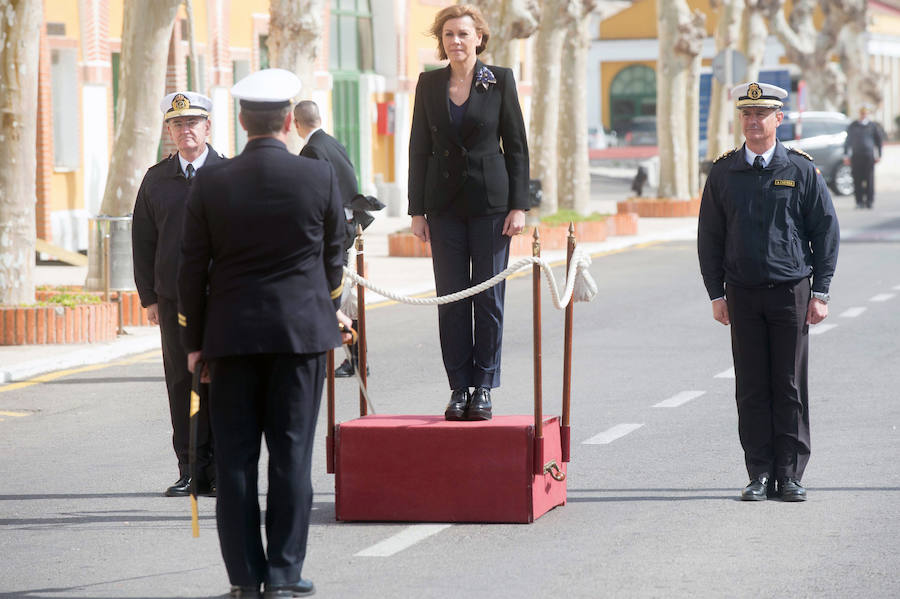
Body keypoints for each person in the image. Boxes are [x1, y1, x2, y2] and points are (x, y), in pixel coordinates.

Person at [178, 68, 350, 599]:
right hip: (299, 337)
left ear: (240, 120)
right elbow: (335, 257)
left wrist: (195, 343)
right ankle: (283, 573)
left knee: (234, 460)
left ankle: (243, 578)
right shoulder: (317, 177)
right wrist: (321, 305)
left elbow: (191, 268)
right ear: (287, 119)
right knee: (292, 454)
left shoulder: (211, 181)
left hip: (229, 339)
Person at [698, 82, 839, 502]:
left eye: (762, 114)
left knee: (790, 385)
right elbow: (710, 237)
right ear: (740, 119)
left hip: (791, 291)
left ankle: (790, 473)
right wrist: (715, 293)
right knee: (752, 386)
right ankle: (758, 472)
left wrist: (822, 292)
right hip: (742, 293)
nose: (754, 122)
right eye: (747, 114)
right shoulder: (724, 171)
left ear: (779, 119)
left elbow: (825, 232)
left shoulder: (799, 169)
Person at [408, 4, 529, 422]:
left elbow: (516, 147)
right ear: (440, 42)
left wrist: (519, 205)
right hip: (442, 208)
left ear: (479, 36)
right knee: (453, 299)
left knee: (489, 298)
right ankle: (458, 387)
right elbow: (418, 149)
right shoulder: (428, 84)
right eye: (448, 35)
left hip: (491, 207)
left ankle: (484, 388)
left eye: (463, 34)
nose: (455, 42)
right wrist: (417, 211)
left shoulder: (500, 81)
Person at [132, 91, 223, 498]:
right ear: (169, 131)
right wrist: (149, 296)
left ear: (208, 126)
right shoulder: (156, 179)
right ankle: (189, 469)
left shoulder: (229, 175)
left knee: (221, 382)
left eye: (193, 123)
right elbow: (143, 242)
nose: (185, 130)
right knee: (180, 383)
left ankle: (220, 470)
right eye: (177, 124)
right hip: (173, 302)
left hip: (222, 298)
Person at [293, 100, 368, 378]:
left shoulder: (311, 150)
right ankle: (357, 361)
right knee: (347, 300)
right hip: (348, 225)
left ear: (297, 124)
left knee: (334, 297)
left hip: (331, 232)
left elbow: (312, 197)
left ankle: (349, 359)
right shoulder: (333, 143)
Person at [843, 105, 884, 209]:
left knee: (869, 179)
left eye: (865, 113)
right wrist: (846, 155)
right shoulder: (853, 125)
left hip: (868, 156)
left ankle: (869, 201)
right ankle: (859, 202)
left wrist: (879, 154)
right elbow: (848, 141)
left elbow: (878, 141)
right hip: (856, 155)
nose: (863, 115)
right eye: (862, 113)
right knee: (857, 179)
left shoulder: (872, 126)